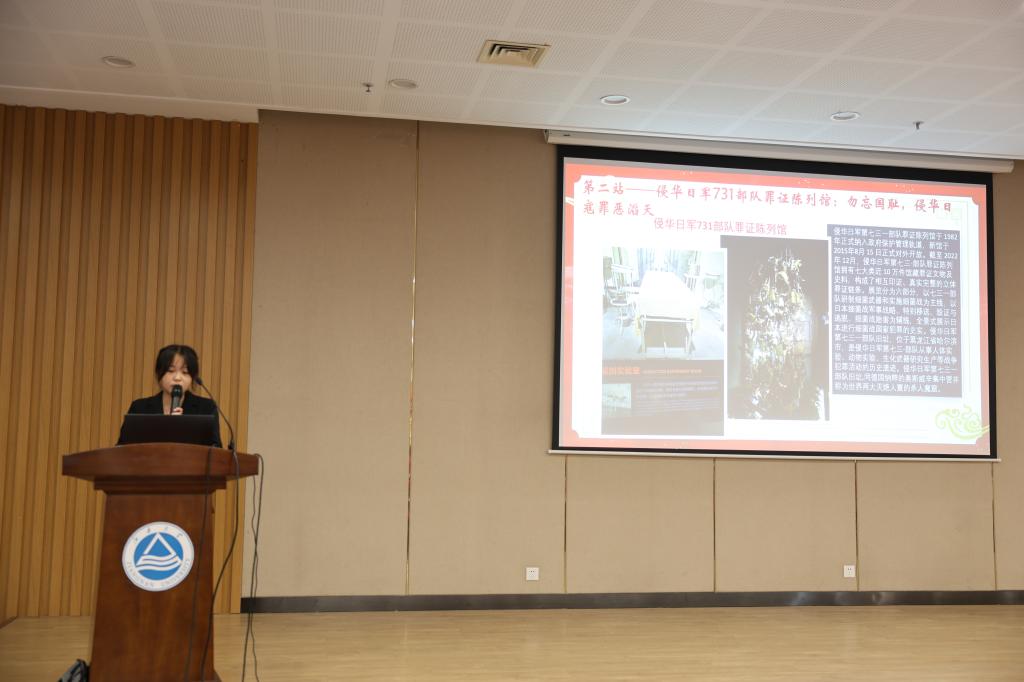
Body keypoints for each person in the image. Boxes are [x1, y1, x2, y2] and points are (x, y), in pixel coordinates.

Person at [116, 344, 222, 447]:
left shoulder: (206, 408)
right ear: (159, 373)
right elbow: (122, 448)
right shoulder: (139, 408)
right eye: (171, 371)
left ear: (192, 377)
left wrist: (183, 428)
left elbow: (216, 449)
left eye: (185, 372)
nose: (177, 378)